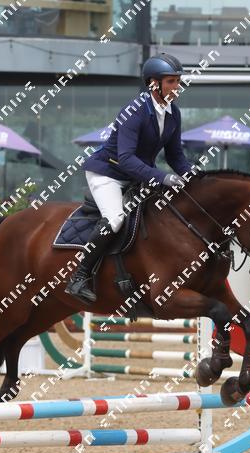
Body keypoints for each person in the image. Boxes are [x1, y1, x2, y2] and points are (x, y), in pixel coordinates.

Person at [67, 52, 193, 304]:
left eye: (178, 81)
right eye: (171, 81)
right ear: (154, 84)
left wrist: (193, 178)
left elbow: (175, 155)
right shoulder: (134, 111)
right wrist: (162, 177)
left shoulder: (173, 113)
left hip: (137, 175)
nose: (177, 87)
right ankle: (79, 277)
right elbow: (125, 158)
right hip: (108, 173)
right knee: (115, 219)